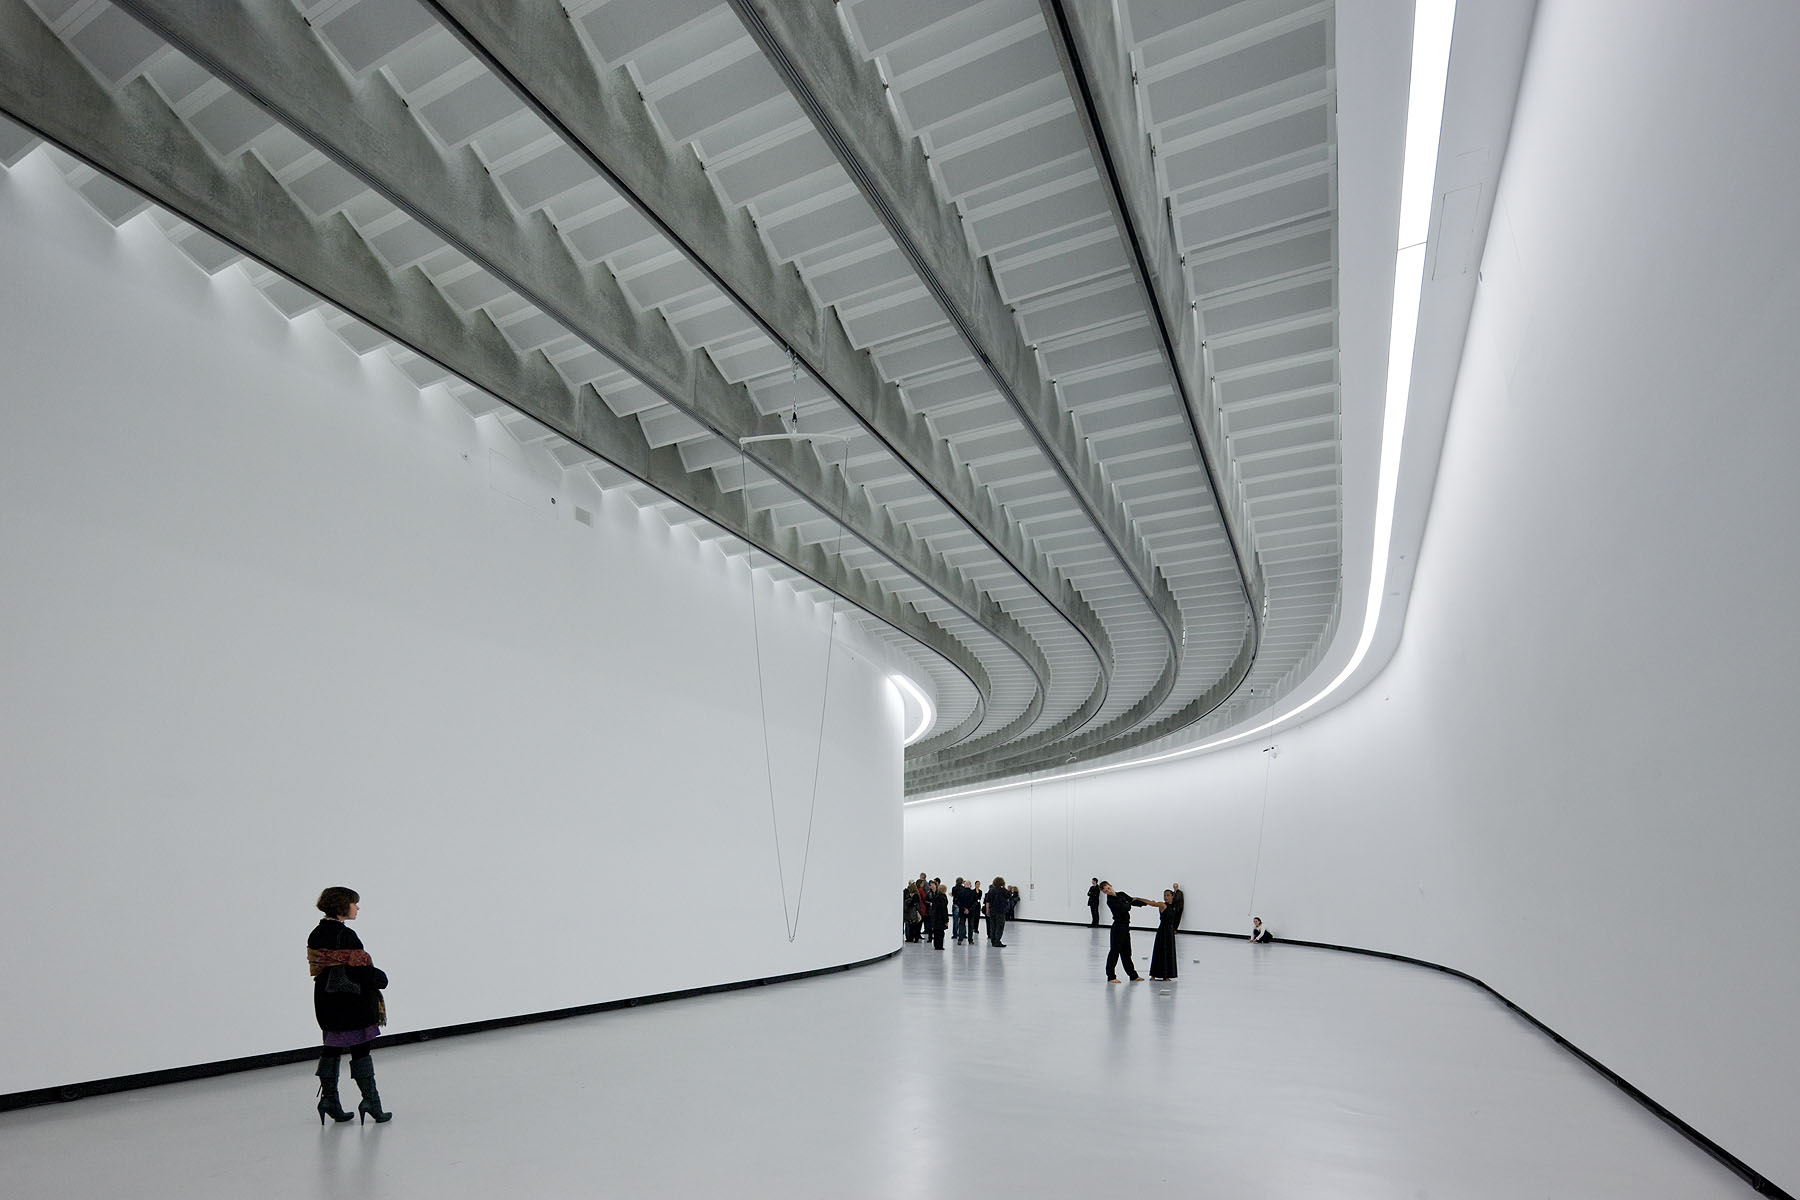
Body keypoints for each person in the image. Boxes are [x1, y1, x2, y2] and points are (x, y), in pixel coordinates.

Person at [307, 887, 392, 1124]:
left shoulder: (316, 934)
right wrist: (380, 979)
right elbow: (359, 970)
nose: (357, 907)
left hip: (326, 999)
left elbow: (322, 967)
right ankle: (371, 1103)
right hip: (351, 1002)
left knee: (332, 1047)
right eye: (354, 903)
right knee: (360, 1049)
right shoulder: (346, 936)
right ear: (341, 905)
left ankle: (329, 1100)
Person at [1101, 882, 1148, 982]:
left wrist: (1147, 903)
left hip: (1126, 927)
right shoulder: (1110, 901)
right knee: (1114, 952)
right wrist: (1128, 903)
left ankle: (1133, 976)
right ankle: (1111, 977)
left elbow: (1132, 900)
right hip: (1118, 928)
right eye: (1106, 891)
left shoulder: (1121, 894)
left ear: (1111, 885)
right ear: (1104, 893)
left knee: (1126, 952)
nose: (1108, 891)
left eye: (1108, 888)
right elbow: (1125, 908)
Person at [1148, 889, 1181, 980]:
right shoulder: (1162, 905)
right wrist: (1138, 899)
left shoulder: (1174, 906)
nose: (1166, 897)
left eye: (1168, 895)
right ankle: (1154, 975)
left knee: (1168, 952)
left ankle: (1166, 975)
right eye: (1165, 895)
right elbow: (1152, 904)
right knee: (1159, 951)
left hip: (1170, 931)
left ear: (1172, 896)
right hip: (1163, 930)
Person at [984, 876, 1009, 946]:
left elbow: (987, 901)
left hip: (992, 911)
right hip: (1000, 911)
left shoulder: (991, 890)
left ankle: (993, 941)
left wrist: (987, 911)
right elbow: (1009, 896)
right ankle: (997, 941)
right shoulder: (1003, 890)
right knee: (1000, 926)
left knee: (993, 926)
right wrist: (1004, 887)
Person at [929, 881, 950, 950]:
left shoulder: (936, 896)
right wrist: (946, 920)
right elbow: (944, 910)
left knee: (936, 932)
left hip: (935, 917)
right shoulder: (943, 897)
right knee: (940, 933)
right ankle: (939, 946)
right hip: (940, 918)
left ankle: (936, 945)